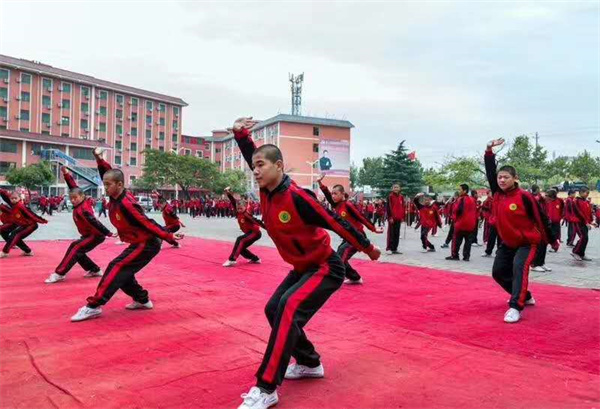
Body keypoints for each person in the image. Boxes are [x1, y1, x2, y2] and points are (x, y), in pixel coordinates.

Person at [232, 117, 381, 409]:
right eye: (254, 166)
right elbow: (252, 153)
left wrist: (367, 247)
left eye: (262, 165)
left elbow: (335, 222)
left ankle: (266, 387)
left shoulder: (298, 197)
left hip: (326, 267)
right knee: (273, 309)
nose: (256, 170)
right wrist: (241, 135)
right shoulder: (266, 192)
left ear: (279, 166)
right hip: (302, 267)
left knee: (288, 307)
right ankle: (309, 362)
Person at [70, 148, 184, 322]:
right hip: (137, 242)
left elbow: (146, 222)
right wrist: (99, 160)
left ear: (120, 185)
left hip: (147, 243)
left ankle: (93, 306)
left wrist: (168, 236)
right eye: (105, 184)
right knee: (124, 273)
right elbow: (108, 174)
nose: (105, 187)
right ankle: (142, 299)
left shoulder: (126, 203)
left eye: (108, 185)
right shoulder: (115, 195)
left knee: (116, 267)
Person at [484, 138, 558, 324]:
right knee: (498, 273)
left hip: (527, 242)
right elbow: (490, 171)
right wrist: (489, 151)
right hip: (507, 242)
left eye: (506, 177)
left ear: (515, 178)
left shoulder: (525, 197)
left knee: (519, 268)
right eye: (500, 177)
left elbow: (542, 219)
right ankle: (526, 295)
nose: (501, 180)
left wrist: (552, 240)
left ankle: (516, 306)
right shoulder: (498, 194)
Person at [45, 167, 114, 284]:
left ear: (82, 197)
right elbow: (74, 187)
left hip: (95, 235)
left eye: (75, 198)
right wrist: (66, 174)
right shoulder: (79, 201)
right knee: (76, 248)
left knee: (76, 248)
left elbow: (95, 222)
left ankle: (59, 273)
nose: (73, 200)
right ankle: (94, 270)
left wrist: (109, 233)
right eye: (71, 198)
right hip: (88, 235)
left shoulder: (84, 209)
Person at [318, 174, 383, 284]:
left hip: (357, 236)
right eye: (332, 193)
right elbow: (327, 195)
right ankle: (355, 277)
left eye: (335, 193)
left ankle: (337, 277)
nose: (333, 196)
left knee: (341, 256)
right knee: (338, 255)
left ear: (342, 194)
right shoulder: (336, 205)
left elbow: (360, 216)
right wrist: (320, 183)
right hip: (347, 237)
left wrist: (373, 228)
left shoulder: (348, 205)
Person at [222, 187, 265, 267]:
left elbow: (256, 221)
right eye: (238, 208)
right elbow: (233, 201)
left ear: (245, 207)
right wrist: (228, 193)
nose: (239, 210)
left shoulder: (246, 214)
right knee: (241, 248)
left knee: (240, 239)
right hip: (249, 233)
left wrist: (268, 228)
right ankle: (255, 259)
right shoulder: (238, 212)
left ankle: (232, 260)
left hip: (255, 233)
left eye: (241, 208)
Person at [0, 189, 48, 258]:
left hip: (31, 225)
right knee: (15, 237)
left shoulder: (20, 206)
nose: (13, 200)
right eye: (12, 198)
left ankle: (5, 252)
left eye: (15, 198)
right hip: (23, 225)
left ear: (19, 198)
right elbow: (5, 195)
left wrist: (42, 220)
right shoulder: (12, 203)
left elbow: (31, 214)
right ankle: (28, 251)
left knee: (15, 235)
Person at [446, 184, 477, 261]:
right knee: (468, 241)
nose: (459, 191)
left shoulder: (460, 199)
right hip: (471, 224)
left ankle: (455, 255)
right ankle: (466, 257)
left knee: (456, 240)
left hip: (461, 223)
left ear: (465, 191)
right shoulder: (473, 199)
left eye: (460, 189)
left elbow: (457, 210)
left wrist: (454, 220)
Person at [571, 187, 595, 261]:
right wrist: (586, 222)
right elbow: (579, 213)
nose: (587, 194)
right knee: (583, 237)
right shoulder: (576, 201)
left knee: (585, 238)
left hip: (585, 222)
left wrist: (592, 221)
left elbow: (589, 212)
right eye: (586, 193)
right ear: (581, 192)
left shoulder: (586, 201)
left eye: (588, 193)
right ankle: (575, 252)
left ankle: (581, 254)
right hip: (579, 222)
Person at [385, 183, 405, 254]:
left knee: (397, 233)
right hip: (392, 218)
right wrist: (390, 217)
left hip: (399, 218)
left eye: (397, 187)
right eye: (394, 187)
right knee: (391, 234)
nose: (396, 188)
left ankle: (395, 248)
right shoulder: (390, 196)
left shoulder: (401, 197)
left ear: (399, 188)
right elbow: (388, 208)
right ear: (392, 188)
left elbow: (403, 207)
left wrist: (403, 217)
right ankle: (390, 248)